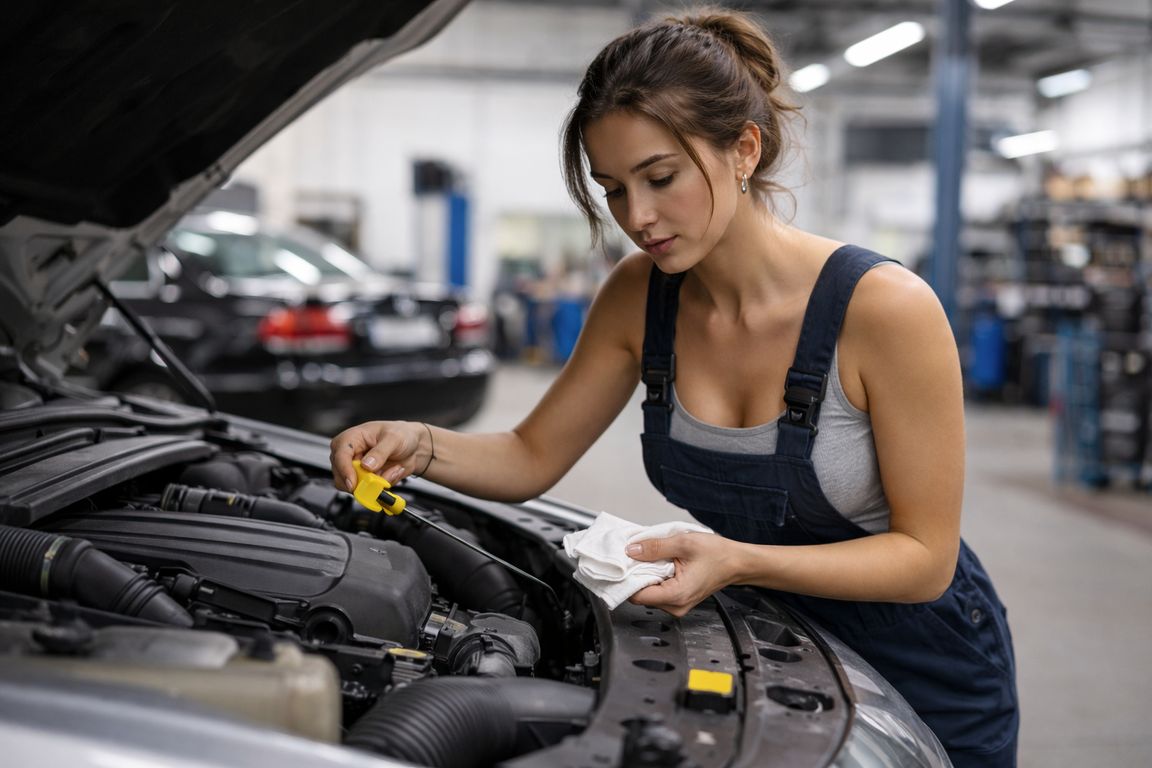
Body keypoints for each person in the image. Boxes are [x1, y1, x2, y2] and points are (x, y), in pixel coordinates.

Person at [330, 7, 1018, 765]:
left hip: (924, 665)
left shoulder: (884, 309)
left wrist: (739, 558)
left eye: (660, 178)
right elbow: (530, 455)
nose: (639, 218)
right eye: (614, 189)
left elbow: (925, 561)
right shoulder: (639, 296)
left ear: (743, 151)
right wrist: (417, 443)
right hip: (770, 644)